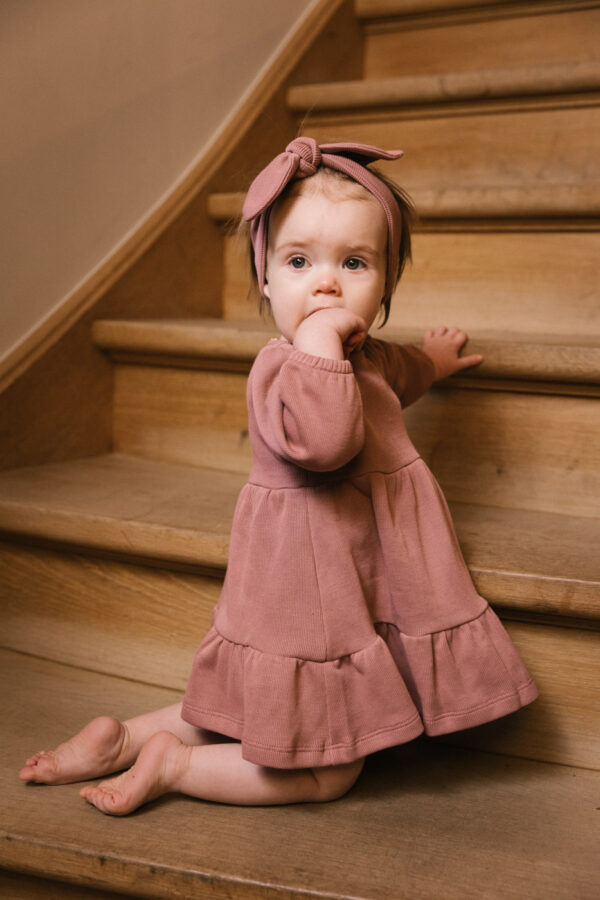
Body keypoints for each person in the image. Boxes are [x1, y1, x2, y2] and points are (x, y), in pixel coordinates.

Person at [19, 137, 538, 814]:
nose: (326, 282)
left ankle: (119, 739)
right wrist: (321, 343)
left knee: (239, 710)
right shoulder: (284, 368)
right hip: (310, 592)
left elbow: (397, 379)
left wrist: (433, 364)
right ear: (266, 281)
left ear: (385, 285)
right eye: (299, 262)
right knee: (330, 770)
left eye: (354, 262)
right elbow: (327, 440)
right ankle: (173, 766)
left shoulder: (371, 357)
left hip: (336, 581)